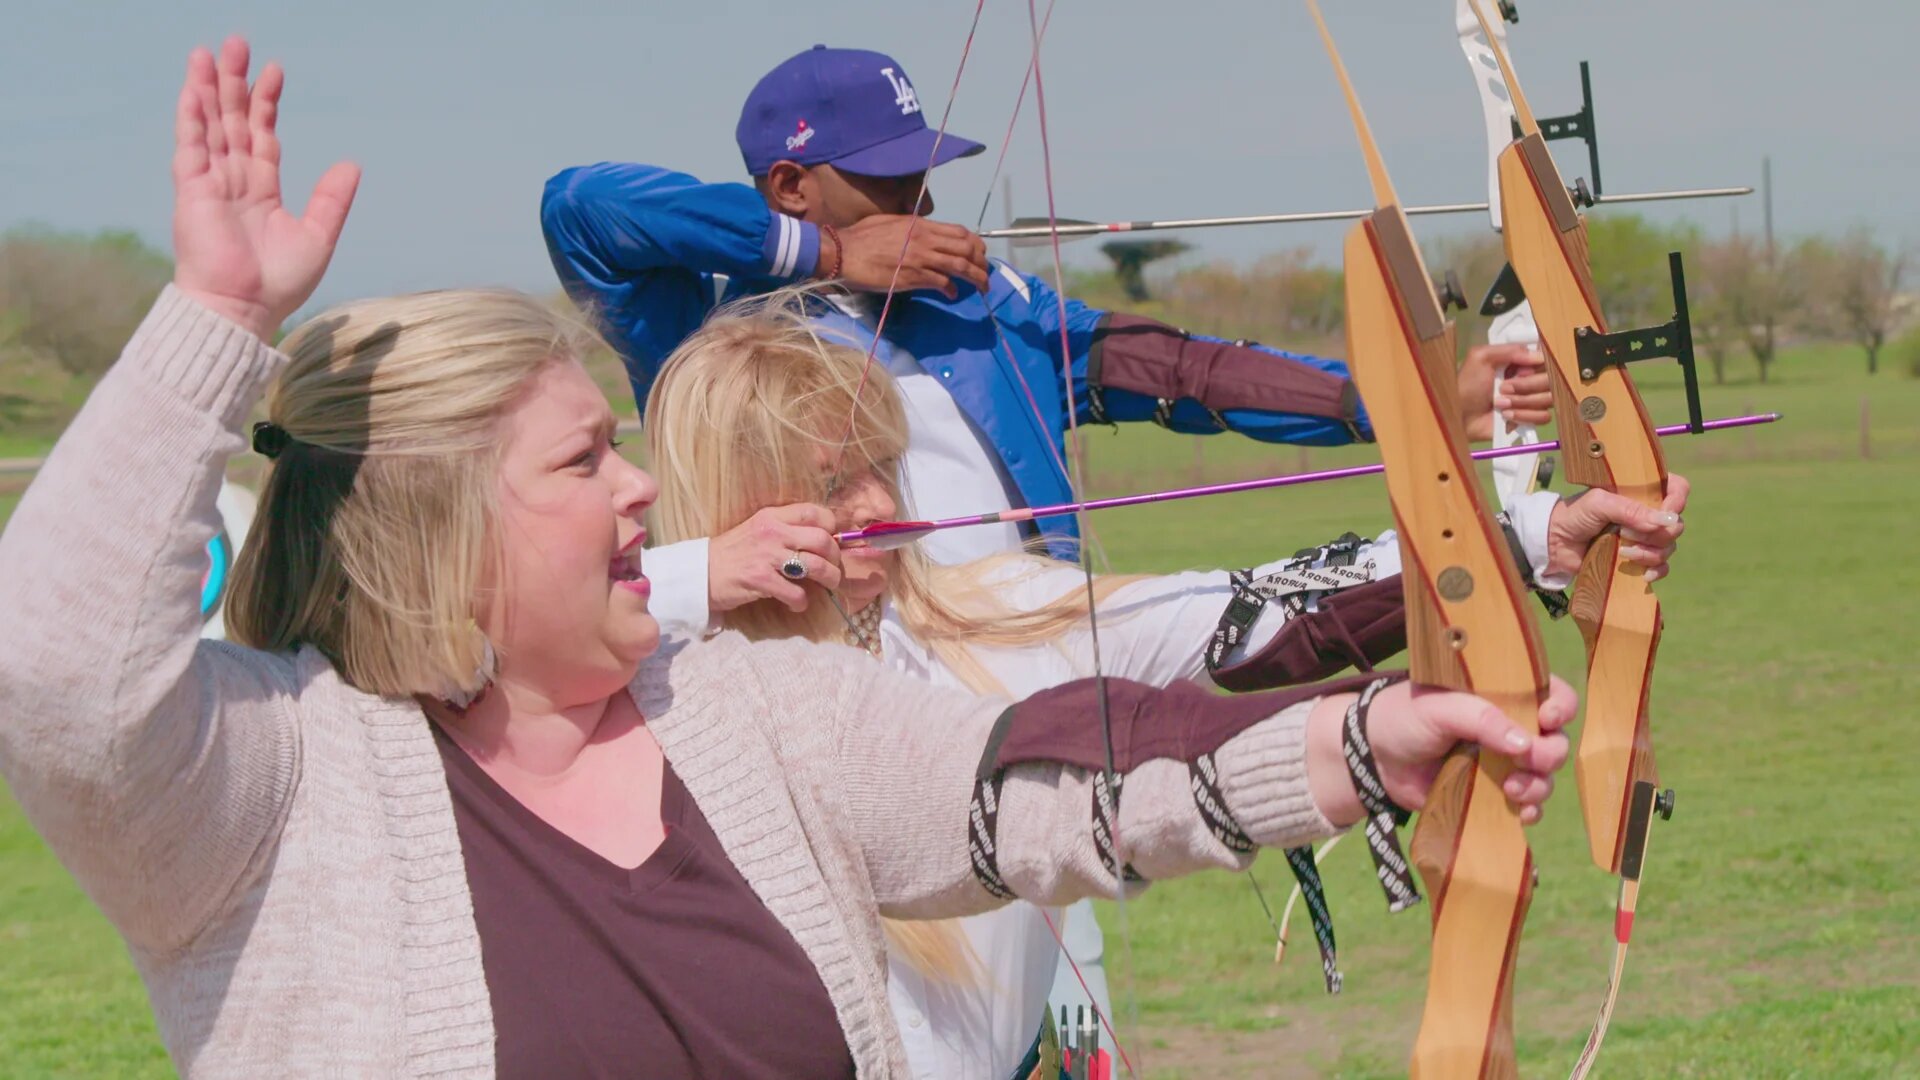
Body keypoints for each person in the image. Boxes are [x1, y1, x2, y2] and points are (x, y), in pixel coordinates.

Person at [0, 38, 1583, 1078]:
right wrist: (215, 326)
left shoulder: (750, 715)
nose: (637, 483)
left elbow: (1060, 758)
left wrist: (1386, 692)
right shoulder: (275, 790)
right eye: (582, 458)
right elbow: (588, 207)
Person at [641, 290, 1689, 1080]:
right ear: (737, 502)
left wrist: (1526, 538)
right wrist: (693, 576)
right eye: (831, 484)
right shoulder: (654, 690)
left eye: (880, 463)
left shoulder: (988, 607)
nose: (874, 500)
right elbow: (480, 642)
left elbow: (1259, 610)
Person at [540, 44, 1556, 640]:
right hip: (811, 707)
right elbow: (580, 206)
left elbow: (1185, 372)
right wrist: (830, 252)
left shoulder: (983, 304)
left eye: (921, 172)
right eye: (884, 181)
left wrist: (1423, 404)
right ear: (790, 188)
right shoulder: (705, 328)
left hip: (1025, 675)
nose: (921, 200)